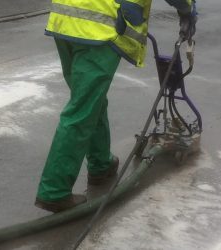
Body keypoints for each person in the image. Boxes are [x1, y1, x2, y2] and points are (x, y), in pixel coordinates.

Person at [35, 0, 197, 213]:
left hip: (65, 21)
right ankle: (54, 191)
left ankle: (101, 164)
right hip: (98, 29)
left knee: (92, 101)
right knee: (82, 108)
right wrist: (188, 10)